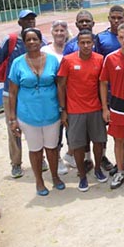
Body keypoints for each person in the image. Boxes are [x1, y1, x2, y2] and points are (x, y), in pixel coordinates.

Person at [8, 28, 64, 195]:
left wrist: (63, 110)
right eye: (28, 40)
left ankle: (55, 177)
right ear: (24, 43)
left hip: (52, 113)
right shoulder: (17, 63)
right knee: (35, 149)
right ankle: (39, 181)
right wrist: (12, 119)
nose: (32, 42)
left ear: (41, 41)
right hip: (28, 115)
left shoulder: (53, 60)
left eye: (35, 39)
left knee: (52, 148)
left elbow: (60, 86)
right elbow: (12, 92)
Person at [0, 10, 43, 178]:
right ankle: (16, 163)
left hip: (31, 94)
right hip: (10, 92)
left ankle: (40, 160)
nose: (30, 22)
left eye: (32, 19)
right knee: (13, 128)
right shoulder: (11, 40)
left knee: (36, 126)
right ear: (20, 23)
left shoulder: (41, 40)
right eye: (26, 20)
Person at [57, 30, 108, 192]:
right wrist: (63, 110)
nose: (86, 45)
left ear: (93, 43)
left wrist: (104, 107)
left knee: (99, 142)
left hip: (95, 109)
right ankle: (82, 175)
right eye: (82, 42)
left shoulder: (100, 59)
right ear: (77, 43)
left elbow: (102, 84)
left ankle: (98, 168)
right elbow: (61, 86)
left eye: (89, 42)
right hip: (74, 111)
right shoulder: (68, 60)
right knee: (78, 146)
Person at [99, 23, 124, 189]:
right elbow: (103, 82)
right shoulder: (110, 58)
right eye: (121, 37)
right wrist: (105, 108)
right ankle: (121, 169)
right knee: (119, 140)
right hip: (117, 105)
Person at [41, 20, 71, 176]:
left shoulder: (72, 47)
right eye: (57, 30)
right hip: (53, 95)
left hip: (72, 95)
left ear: (67, 32)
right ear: (52, 32)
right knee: (56, 128)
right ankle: (57, 158)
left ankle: (71, 153)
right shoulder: (45, 50)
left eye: (62, 30)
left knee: (71, 127)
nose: (60, 33)